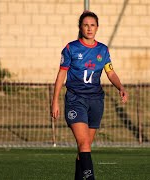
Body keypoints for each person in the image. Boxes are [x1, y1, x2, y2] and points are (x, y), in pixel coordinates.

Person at [51, 11, 128, 180]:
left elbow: (110, 72)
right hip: (75, 100)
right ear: (80, 27)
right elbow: (61, 75)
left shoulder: (103, 50)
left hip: (96, 102)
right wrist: (55, 101)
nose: (89, 28)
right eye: (85, 25)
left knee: (84, 148)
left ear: (97, 28)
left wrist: (120, 87)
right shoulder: (71, 48)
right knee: (84, 144)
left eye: (92, 25)